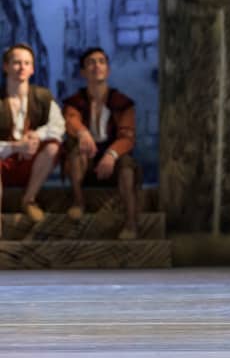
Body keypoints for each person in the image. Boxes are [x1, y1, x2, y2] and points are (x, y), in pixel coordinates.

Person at [62, 47, 139, 240]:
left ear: (108, 69)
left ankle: (131, 223)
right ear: (83, 72)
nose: (97, 66)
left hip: (112, 157)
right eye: (91, 62)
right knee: (75, 154)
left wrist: (111, 155)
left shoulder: (122, 103)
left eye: (101, 61)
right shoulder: (75, 101)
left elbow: (127, 137)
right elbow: (70, 119)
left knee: (127, 167)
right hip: (87, 157)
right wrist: (82, 132)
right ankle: (79, 202)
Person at [0, 43, 65, 237]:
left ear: (32, 68)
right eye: (16, 62)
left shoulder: (42, 96)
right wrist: (15, 146)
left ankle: (28, 200)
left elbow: (58, 126)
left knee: (53, 147)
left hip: (30, 166)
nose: (21, 67)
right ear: (6, 67)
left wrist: (36, 136)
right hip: (3, 163)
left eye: (26, 63)